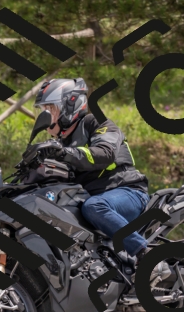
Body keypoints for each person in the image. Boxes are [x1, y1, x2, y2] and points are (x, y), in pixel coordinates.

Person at [34, 78, 152, 260]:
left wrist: (66, 153)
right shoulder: (58, 144)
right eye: (44, 110)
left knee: (94, 206)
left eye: (51, 109)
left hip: (128, 191)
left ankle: (145, 254)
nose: (46, 115)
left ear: (69, 106)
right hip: (91, 197)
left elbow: (105, 153)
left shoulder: (95, 123)